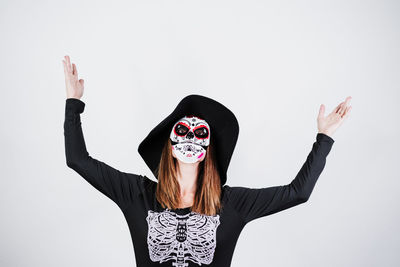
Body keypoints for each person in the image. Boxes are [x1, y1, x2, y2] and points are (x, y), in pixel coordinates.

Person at [62, 55, 352, 267]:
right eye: (182, 130)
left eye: (200, 133)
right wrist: (73, 104)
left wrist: (323, 137)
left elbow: (297, 193)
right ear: (170, 147)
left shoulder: (232, 204)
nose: (190, 137)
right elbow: (77, 160)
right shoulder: (137, 195)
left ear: (208, 149)